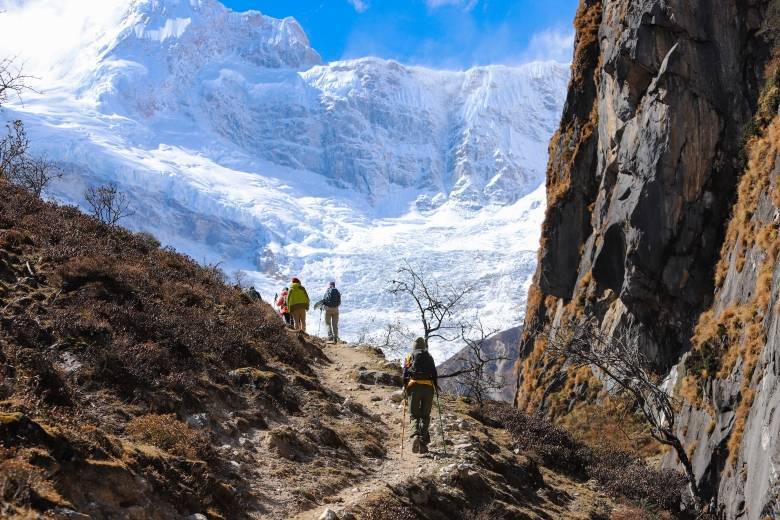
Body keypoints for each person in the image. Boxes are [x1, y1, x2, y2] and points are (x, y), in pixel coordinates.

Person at [402, 337, 438, 454]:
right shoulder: (429, 356)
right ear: (424, 346)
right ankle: (423, 441)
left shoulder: (409, 356)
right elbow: (434, 373)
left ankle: (415, 436)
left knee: (414, 415)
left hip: (414, 387)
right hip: (428, 389)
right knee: (425, 416)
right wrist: (436, 387)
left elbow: (405, 374)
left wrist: (405, 388)